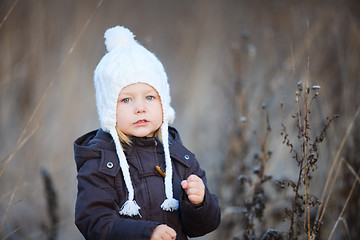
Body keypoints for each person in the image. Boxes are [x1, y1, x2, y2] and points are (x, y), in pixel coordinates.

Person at [74, 26, 221, 240]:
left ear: (163, 102)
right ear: (108, 109)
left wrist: (199, 202)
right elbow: (94, 223)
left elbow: (202, 227)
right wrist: (146, 234)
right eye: (126, 99)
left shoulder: (179, 157)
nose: (140, 108)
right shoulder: (100, 160)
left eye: (150, 97)